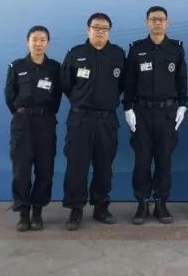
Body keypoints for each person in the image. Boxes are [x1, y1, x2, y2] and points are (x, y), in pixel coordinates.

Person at [60, 13, 126, 230]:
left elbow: (123, 85)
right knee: (77, 166)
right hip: (80, 120)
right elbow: (66, 84)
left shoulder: (117, 54)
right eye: (96, 27)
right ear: (88, 29)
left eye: (104, 28)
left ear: (109, 32)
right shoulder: (76, 54)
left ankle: (101, 207)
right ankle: (75, 209)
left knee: (104, 166)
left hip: (106, 121)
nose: (100, 32)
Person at [125, 6, 187, 225]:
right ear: (147, 22)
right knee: (142, 162)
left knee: (164, 161)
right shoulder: (137, 49)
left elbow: (181, 79)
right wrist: (128, 108)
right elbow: (129, 81)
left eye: (161, 19)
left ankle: (161, 203)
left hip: (167, 114)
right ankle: (142, 203)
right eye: (153, 19)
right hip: (141, 113)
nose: (157, 23)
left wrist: (183, 105)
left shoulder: (176, 49)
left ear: (167, 22)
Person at [4, 25, 62, 231]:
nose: (38, 43)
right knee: (21, 171)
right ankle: (23, 213)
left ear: (48, 43)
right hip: (23, 123)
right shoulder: (17, 66)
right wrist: (22, 113)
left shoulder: (54, 68)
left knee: (45, 170)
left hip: (45, 123)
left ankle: (37, 211)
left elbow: (57, 97)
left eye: (42, 40)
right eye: (34, 39)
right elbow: (9, 95)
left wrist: (44, 113)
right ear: (27, 42)